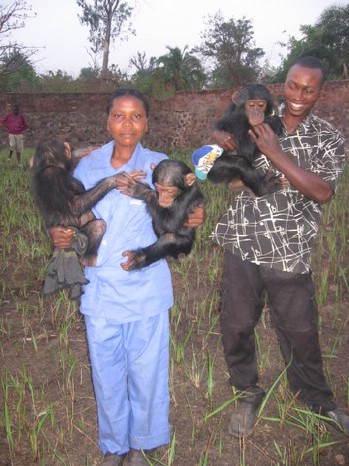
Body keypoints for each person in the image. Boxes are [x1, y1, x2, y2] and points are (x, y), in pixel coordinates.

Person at [48, 88, 205, 466]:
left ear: (147, 123)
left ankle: (142, 443)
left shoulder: (161, 167)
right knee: (106, 371)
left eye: (136, 116)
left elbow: (184, 215)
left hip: (146, 288)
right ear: (108, 121)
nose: (127, 124)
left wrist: (194, 216)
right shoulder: (87, 167)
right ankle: (115, 445)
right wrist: (57, 233)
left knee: (147, 370)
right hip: (100, 289)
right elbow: (66, 214)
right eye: (119, 115)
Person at [211, 56, 349, 438]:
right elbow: (209, 169)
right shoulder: (256, 118)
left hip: (290, 248)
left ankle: (318, 403)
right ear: (282, 85)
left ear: (322, 91)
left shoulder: (329, 137)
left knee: (300, 331)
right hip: (242, 240)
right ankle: (247, 392)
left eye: (309, 89)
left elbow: (322, 192)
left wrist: (274, 153)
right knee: (236, 326)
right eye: (292, 86)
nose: (299, 95)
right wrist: (215, 140)